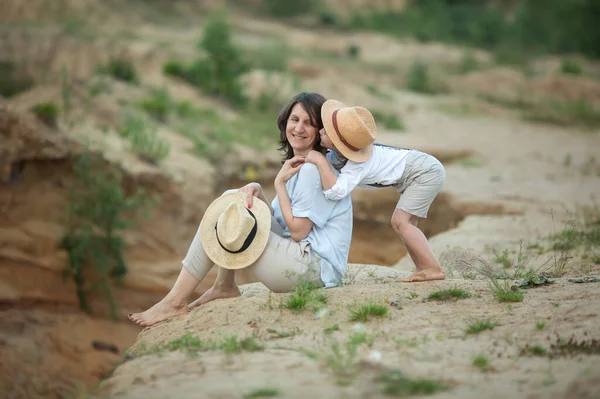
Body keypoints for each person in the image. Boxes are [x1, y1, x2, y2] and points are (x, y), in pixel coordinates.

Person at [128, 92, 353, 327]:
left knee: (236, 219)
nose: (299, 128)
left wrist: (278, 184)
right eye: (294, 119)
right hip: (303, 260)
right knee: (232, 200)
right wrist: (258, 189)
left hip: (313, 271)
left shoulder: (313, 170)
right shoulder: (304, 164)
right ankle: (224, 285)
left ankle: (174, 302)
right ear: (285, 121)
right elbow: (281, 223)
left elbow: (298, 232)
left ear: (321, 132)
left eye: (309, 123)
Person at [305, 99, 446, 282]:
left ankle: (433, 268)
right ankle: (422, 266)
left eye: (326, 132)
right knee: (404, 224)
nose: (321, 131)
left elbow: (338, 191)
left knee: (401, 222)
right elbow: (330, 163)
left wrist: (319, 161)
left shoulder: (357, 163)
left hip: (424, 172)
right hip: (420, 168)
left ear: (339, 144)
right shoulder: (344, 154)